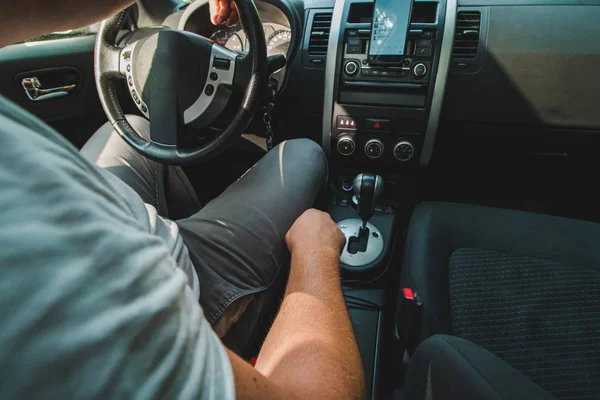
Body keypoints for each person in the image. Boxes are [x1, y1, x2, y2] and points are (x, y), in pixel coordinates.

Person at [0, 0, 366, 399]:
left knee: (136, 126)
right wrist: (315, 251)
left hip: (126, 230)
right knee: (304, 154)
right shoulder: (39, 290)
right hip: (178, 285)